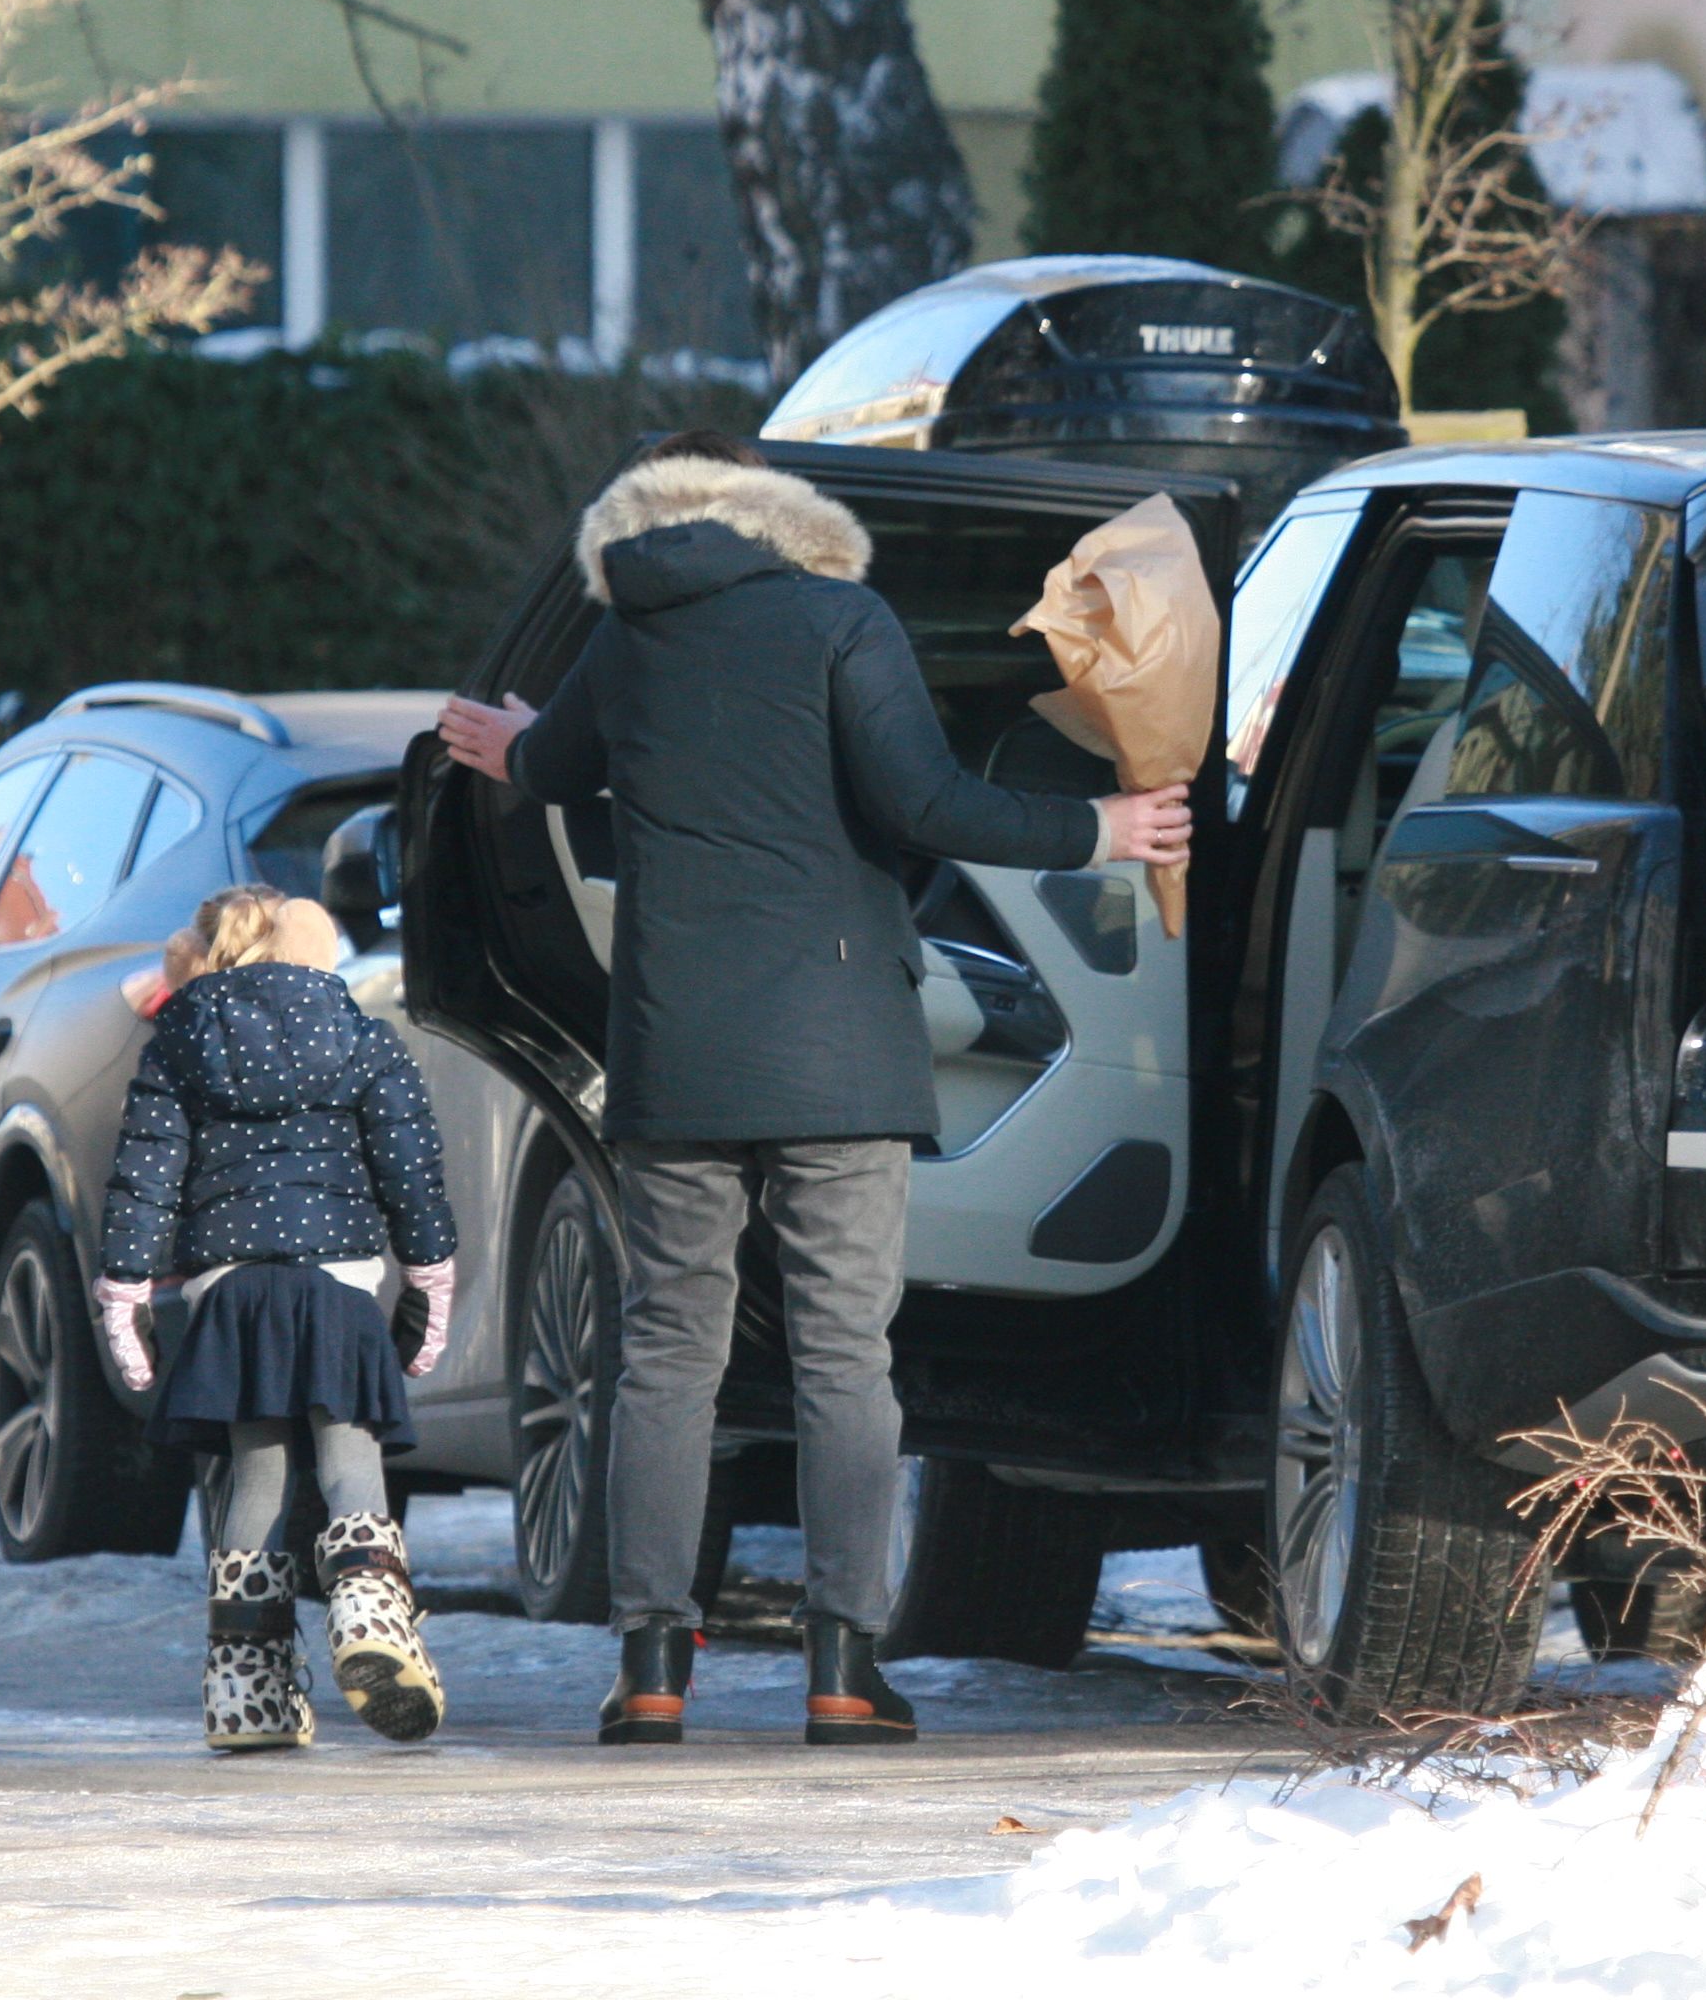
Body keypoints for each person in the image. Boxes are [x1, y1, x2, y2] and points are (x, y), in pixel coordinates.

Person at [438, 434, 1191, 1748]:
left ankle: (652, 1669)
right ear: (788, 516)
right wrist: (1102, 832)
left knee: (668, 1356)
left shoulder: (629, 634)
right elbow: (926, 803)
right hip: (840, 1051)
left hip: (676, 1056)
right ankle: (845, 1669)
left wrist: (505, 740)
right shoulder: (844, 619)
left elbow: (552, 768)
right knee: (845, 1357)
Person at [92, 887, 462, 1752]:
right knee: (349, 1453)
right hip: (337, 1284)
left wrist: (127, 1297)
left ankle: (245, 1688)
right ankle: (370, 1610)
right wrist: (428, 1282)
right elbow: (412, 1170)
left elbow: (144, 1180)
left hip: (232, 1294)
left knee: (255, 1474)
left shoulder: (179, 1046)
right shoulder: (365, 1040)